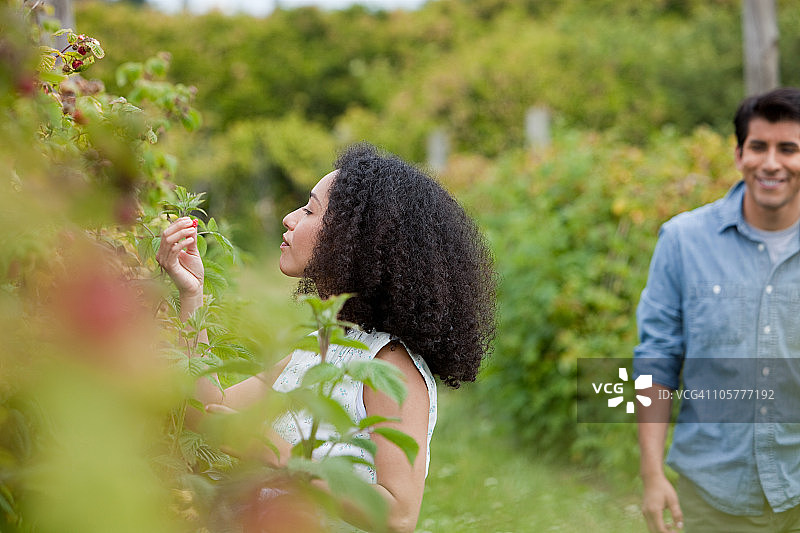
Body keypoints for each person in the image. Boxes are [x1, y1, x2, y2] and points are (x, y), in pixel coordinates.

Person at [156, 142, 497, 533]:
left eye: (309, 210)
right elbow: (206, 412)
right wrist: (192, 293)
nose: (288, 218)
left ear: (355, 239)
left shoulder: (388, 366)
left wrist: (283, 457)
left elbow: (399, 515)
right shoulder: (317, 349)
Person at [634, 87, 800, 533]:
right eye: (759, 147)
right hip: (711, 496)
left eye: (789, 149)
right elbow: (656, 361)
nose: (771, 163)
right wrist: (652, 473)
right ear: (739, 154)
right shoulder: (683, 241)